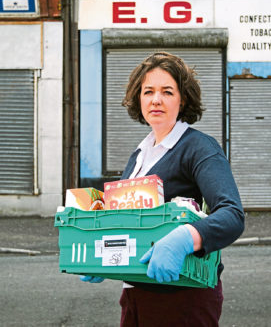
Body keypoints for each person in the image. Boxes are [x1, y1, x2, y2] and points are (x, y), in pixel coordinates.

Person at [82, 51, 245, 326]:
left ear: (182, 100)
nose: (156, 99)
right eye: (148, 92)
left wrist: (185, 238)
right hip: (136, 293)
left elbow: (232, 215)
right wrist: (104, 256)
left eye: (167, 92)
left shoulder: (199, 148)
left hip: (183, 298)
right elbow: (130, 223)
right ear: (139, 98)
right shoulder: (140, 155)